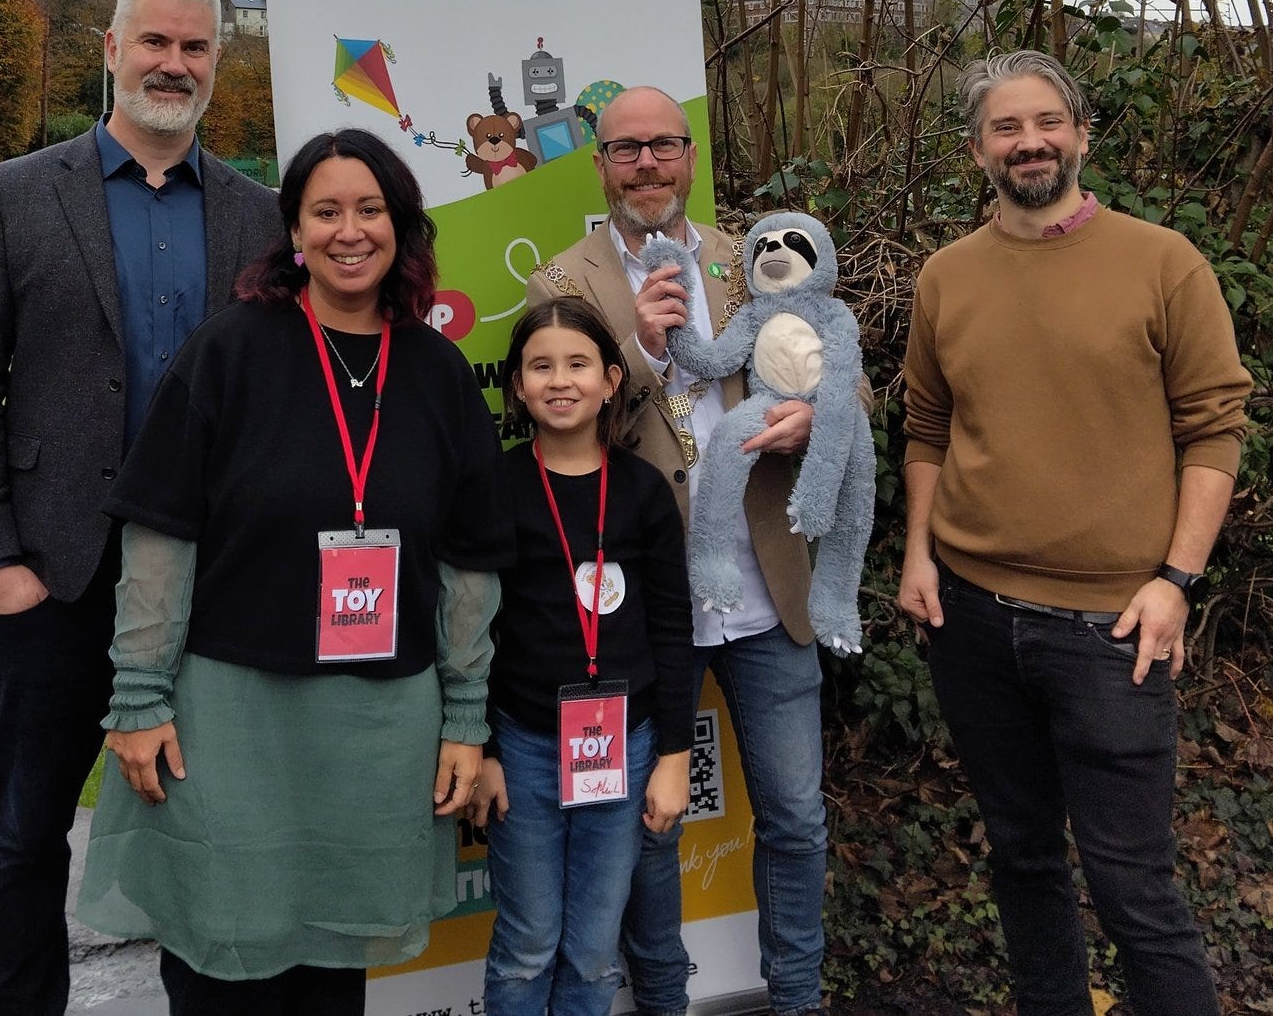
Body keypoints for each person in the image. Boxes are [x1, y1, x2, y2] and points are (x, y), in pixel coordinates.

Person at [79, 127, 511, 1016]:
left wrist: (466, 714)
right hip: (234, 721)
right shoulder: (229, 352)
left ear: (402, 227)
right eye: (326, 211)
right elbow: (162, 536)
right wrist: (138, 696)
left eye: (370, 209)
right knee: (219, 960)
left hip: (381, 728)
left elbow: (470, 563)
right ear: (295, 231)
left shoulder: (438, 372)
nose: (349, 231)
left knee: (332, 970)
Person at [0, 0, 280, 1016]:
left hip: (207, 593)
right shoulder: (16, 194)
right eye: (155, 43)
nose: (172, 65)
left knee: (200, 836)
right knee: (25, 836)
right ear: (111, 49)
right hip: (54, 576)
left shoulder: (259, 217)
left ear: (216, 67)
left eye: (194, 50)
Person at [897, 50, 1250, 1015]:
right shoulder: (947, 276)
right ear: (978, 151)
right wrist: (919, 552)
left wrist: (1176, 578)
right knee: (1021, 856)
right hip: (968, 616)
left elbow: (1215, 428)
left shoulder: (1163, 262)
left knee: (1134, 886)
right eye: (1006, 128)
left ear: (1082, 135)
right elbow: (928, 425)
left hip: (1114, 628)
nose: (1030, 142)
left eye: (1047, 121)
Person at [526, 86, 831, 1016]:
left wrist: (814, 415)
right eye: (626, 150)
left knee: (796, 815)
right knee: (648, 824)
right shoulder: (562, 284)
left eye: (663, 145)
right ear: (600, 166)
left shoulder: (759, 260)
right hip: (642, 602)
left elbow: (849, 391)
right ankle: (662, 1000)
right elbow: (559, 425)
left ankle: (798, 997)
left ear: (691, 156)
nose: (647, 164)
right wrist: (645, 349)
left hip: (765, 590)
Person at [469, 296, 696, 1016]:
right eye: (540, 365)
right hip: (525, 745)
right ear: (516, 386)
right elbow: (467, 630)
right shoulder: (495, 488)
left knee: (595, 952)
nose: (558, 380)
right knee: (528, 942)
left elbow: (671, 623)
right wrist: (480, 745)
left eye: (577, 364)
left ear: (610, 381)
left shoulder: (642, 491)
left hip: (623, 750)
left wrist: (672, 753)